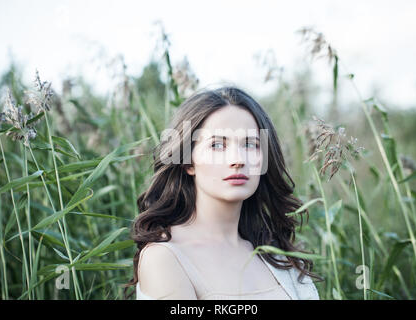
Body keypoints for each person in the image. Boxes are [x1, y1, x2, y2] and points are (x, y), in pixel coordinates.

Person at [124, 86, 323, 300]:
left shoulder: (277, 254)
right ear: (188, 161)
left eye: (250, 144)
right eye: (218, 145)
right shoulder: (165, 258)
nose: (237, 159)